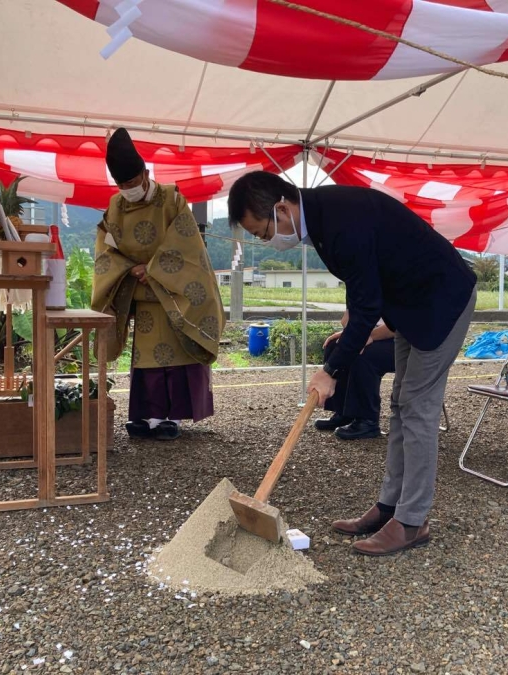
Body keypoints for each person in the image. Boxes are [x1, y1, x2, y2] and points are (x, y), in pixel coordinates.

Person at [228, 172, 476, 556]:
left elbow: (366, 305)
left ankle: (412, 522)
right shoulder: (322, 220)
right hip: (407, 305)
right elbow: (365, 283)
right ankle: (390, 506)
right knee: (400, 406)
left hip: (442, 301)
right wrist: (355, 326)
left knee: (419, 409)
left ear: (282, 208)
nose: (268, 242)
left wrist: (331, 371)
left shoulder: (339, 219)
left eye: (263, 233)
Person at [92, 128, 224, 441]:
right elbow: (105, 249)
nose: (128, 189)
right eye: (121, 185)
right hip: (140, 292)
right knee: (148, 359)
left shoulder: (173, 199)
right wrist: (128, 269)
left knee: (176, 356)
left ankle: (171, 418)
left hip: (173, 292)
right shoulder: (115, 206)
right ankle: (146, 417)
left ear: (146, 173)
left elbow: (186, 244)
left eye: (132, 182)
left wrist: (151, 268)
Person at [315, 311, 395, 440]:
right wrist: (350, 335)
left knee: (365, 355)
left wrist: (365, 336)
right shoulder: (364, 292)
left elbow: (396, 326)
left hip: (404, 340)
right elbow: (347, 318)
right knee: (334, 346)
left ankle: (367, 420)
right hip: (369, 333)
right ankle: (344, 412)